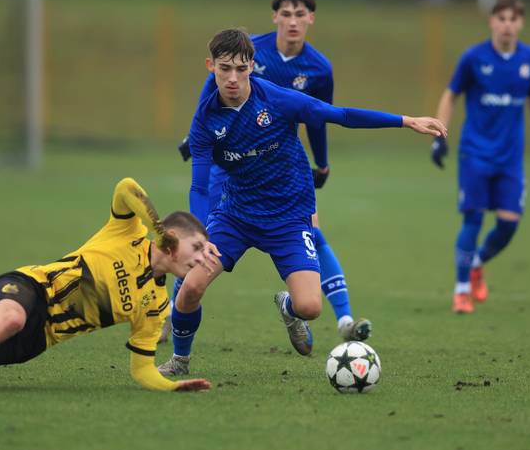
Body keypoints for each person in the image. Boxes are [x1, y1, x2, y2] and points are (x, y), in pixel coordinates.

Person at [159, 28, 446, 376]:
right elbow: (201, 188)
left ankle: (289, 310)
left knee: (310, 307)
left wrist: (406, 121)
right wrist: (199, 239)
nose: (232, 78)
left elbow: (339, 115)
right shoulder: (206, 120)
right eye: (224, 69)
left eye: (240, 68)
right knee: (190, 288)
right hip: (236, 215)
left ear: (252, 65)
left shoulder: (279, 100)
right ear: (211, 67)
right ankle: (180, 360)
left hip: (288, 215)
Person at [0, 178, 219, 395]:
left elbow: (142, 369)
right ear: (171, 241)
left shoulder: (157, 306)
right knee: (11, 319)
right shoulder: (127, 233)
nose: (202, 259)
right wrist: (155, 226)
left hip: (40, 338)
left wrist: (173, 387)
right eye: (197, 249)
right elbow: (126, 187)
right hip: (28, 287)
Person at [175, 0, 370, 343]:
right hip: (229, 162)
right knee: (204, 243)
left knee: (312, 230)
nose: (293, 21)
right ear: (275, 16)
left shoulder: (318, 68)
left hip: (279, 164)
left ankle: (335, 314)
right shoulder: (249, 51)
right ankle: (176, 315)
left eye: (300, 14)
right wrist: (195, 134)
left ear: (311, 19)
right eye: (286, 13)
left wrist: (322, 163)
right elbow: (211, 94)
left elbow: (320, 117)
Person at [430, 0, 530, 314]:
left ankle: (477, 263)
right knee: (473, 218)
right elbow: (451, 95)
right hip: (475, 153)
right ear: (491, 22)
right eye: (501, 18)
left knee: (509, 224)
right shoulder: (473, 58)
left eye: (512, 19)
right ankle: (461, 290)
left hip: (510, 158)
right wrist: (439, 135)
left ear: (521, 23)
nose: (507, 25)